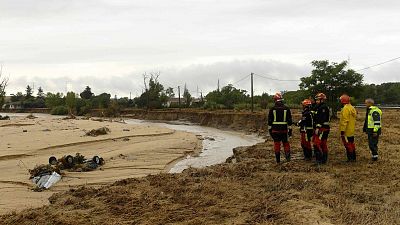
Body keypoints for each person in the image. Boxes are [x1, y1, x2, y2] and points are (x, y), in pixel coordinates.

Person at [268, 93, 293, 163]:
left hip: (275, 130)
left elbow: (269, 121)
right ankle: (288, 159)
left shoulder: (272, 109)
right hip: (284, 130)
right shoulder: (287, 108)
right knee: (286, 143)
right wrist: (290, 131)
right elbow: (290, 121)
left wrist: (270, 131)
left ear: (275, 100)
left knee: (277, 144)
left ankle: (278, 161)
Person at [339, 94, 357, 162]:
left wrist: (342, 131)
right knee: (351, 143)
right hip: (351, 130)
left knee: (347, 144)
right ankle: (353, 157)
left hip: (346, 131)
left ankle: (350, 158)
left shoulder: (345, 108)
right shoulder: (352, 107)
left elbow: (344, 121)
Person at [313, 92, 330, 164]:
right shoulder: (320, 107)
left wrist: (317, 127)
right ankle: (323, 160)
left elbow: (321, 119)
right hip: (323, 128)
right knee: (323, 144)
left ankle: (319, 160)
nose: (316, 101)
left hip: (322, 129)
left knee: (317, 144)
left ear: (322, 100)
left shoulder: (323, 108)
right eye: (316, 100)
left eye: (318, 100)